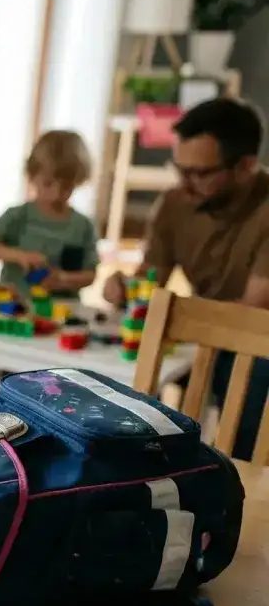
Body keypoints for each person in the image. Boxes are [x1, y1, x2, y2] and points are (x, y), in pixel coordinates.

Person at [103, 98, 269, 461]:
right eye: (179, 168)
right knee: (132, 364)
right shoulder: (176, 202)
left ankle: (241, 475)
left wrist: (174, 315)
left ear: (245, 167)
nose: (183, 183)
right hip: (208, 327)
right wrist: (124, 288)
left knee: (252, 372)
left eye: (199, 173)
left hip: (256, 335)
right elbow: (151, 281)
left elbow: (250, 312)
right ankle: (146, 467)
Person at [0, 129, 100, 297]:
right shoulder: (18, 216)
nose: (56, 194)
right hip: (13, 307)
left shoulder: (83, 226)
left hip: (62, 311)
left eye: (66, 187)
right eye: (47, 184)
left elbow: (90, 275)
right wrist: (19, 256)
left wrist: (63, 279)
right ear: (32, 176)